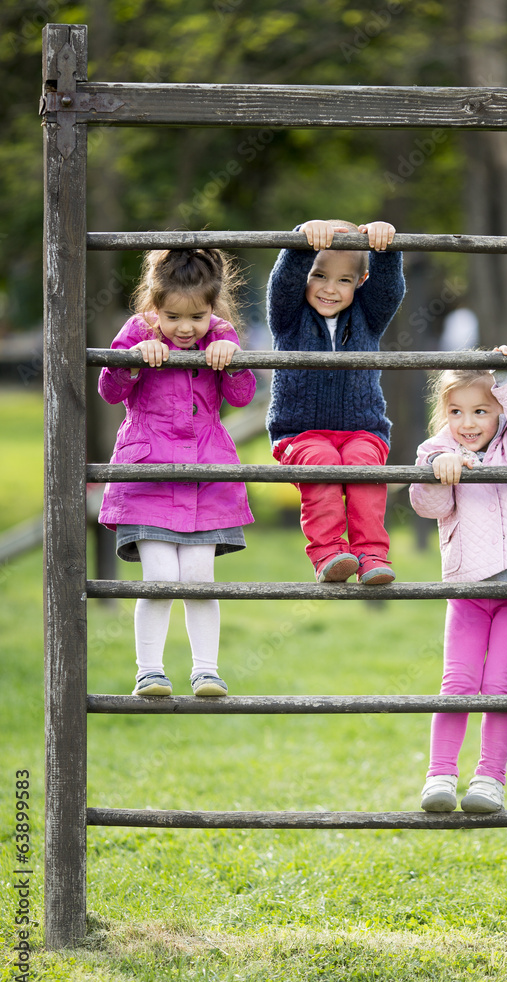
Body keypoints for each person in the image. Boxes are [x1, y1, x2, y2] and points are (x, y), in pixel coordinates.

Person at [98, 248, 256, 698]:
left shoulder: (219, 337)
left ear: (212, 306)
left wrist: (233, 356)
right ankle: (149, 671)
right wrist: (131, 359)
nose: (185, 328)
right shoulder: (136, 332)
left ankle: (207, 671)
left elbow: (242, 396)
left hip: (205, 475)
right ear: (153, 305)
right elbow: (110, 390)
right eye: (172, 317)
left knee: (200, 580)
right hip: (148, 472)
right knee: (161, 577)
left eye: (198, 317)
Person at [409, 345, 507, 812]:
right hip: (468, 592)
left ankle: (490, 780)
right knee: (457, 683)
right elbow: (429, 507)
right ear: (444, 413)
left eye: (481, 410)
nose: (468, 422)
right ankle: (440, 776)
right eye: (457, 411)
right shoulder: (438, 452)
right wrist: (435, 475)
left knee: (501, 687)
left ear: (499, 410)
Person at [266, 218, 405, 585]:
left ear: (360, 283)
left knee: (363, 468)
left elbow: (389, 289)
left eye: (344, 280)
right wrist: (302, 238)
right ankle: (329, 553)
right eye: (319, 276)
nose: (330, 289)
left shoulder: (368, 318)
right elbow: (283, 284)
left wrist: (384, 247)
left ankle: (371, 555)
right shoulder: (288, 317)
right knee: (322, 463)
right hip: (300, 433)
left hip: (363, 430)